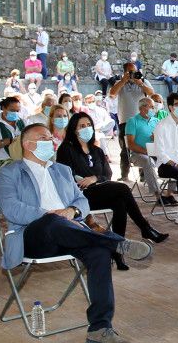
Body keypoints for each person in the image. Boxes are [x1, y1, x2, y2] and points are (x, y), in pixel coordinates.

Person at [0, 124, 153, 343]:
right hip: (34, 236)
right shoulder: (9, 173)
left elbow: (82, 201)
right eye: (44, 138)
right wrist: (51, 214)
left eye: (51, 137)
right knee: (52, 221)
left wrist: (72, 212)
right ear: (28, 145)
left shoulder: (62, 170)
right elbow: (11, 209)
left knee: (98, 253)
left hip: (71, 232)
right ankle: (117, 242)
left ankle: (100, 328)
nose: (50, 141)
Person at [56, 113, 168, 269]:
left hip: (99, 190)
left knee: (119, 202)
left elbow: (107, 174)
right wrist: (87, 180)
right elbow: (64, 175)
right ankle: (144, 228)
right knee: (122, 188)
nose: (86, 128)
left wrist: (95, 178)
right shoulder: (66, 149)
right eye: (82, 126)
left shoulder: (96, 150)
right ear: (74, 129)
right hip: (80, 196)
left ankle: (117, 251)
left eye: (88, 125)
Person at [109, 61, 156, 181]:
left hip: (142, 121)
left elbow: (152, 94)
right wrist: (123, 80)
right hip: (125, 121)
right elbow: (112, 93)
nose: (133, 74)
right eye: (130, 72)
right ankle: (124, 175)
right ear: (125, 72)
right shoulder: (120, 82)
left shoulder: (143, 81)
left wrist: (140, 83)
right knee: (125, 149)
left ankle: (144, 176)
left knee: (143, 147)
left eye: (135, 71)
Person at [151, 92, 178, 209]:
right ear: (170, 107)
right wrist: (176, 164)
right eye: (177, 104)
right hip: (165, 165)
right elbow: (160, 153)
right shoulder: (161, 126)